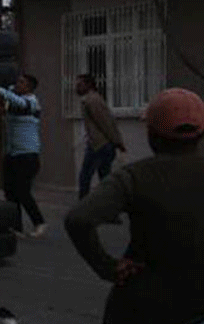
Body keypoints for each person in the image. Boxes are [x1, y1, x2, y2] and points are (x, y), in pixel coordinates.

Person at [65, 88, 204, 324]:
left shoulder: (133, 177)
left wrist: (107, 266)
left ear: (151, 133)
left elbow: (78, 218)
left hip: (145, 301)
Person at [0, 74, 47, 237]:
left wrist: (0, 89)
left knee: (22, 192)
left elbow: (20, 103)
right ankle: (15, 227)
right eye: (17, 81)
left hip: (27, 155)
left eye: (22, 82)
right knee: (10, 193)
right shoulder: (13, 102)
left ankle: (39, 222)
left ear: (29, 87)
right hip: (12, 153)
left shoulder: (32, 102)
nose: (17, 84)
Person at [76, 74, 127, 200]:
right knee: (104, 177)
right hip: (101, 144)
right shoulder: (91, 100)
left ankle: (85, 204)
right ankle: (108, 204)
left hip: (99, 145)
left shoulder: (92, 100)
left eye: (80, 84)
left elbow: (105, 123)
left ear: (89, 85)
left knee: (86, 176)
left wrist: (118, 142)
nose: (77, 87)